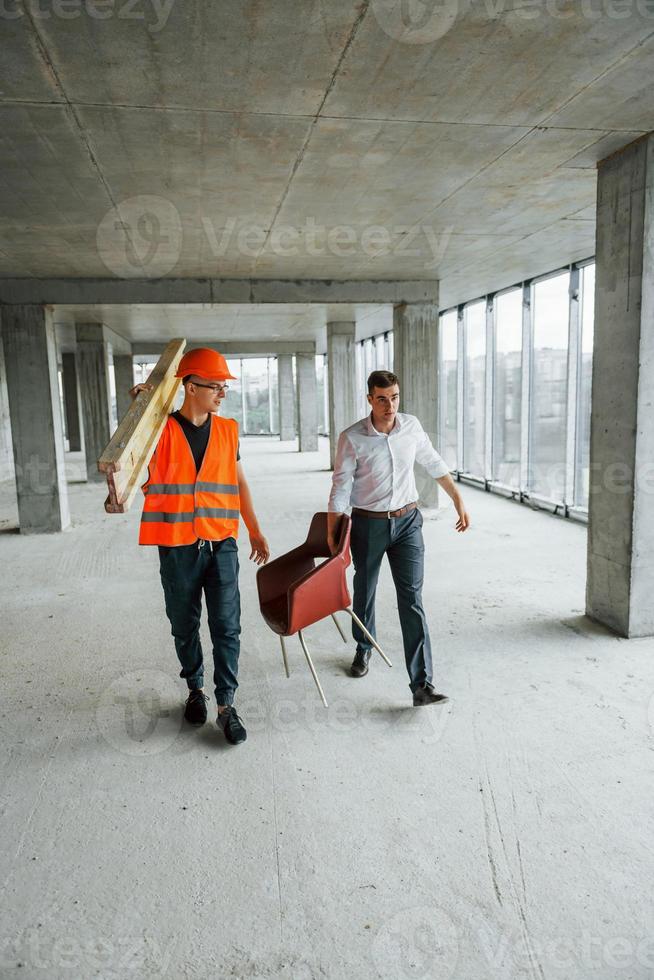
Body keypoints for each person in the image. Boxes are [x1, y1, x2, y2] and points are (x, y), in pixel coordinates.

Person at [131, 348, 269, 745]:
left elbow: (239, 482)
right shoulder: (159, 430)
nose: (222, 393)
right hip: (177, 544)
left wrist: (254, 529)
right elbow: (128, 453)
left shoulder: (228, 430)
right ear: (191, 387)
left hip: (221, 540)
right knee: (184, 624)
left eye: (223, 387)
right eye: (215, 386)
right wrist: (138, 411)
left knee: (227, 626)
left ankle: (226, 705)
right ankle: (195, 688)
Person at [327, 369, 469, 706]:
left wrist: (457, 499)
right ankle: (364, 648)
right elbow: (340, 488)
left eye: (394, 397)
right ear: (369, 399)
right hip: (368, 524)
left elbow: (432, 462)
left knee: (412, 599)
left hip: (408, 523)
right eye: (381, 399)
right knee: (365, 589)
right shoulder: (352, 438)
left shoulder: (411, 426)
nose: (389, 405)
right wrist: (333, 538)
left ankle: (422, 684)